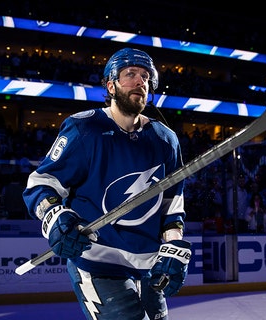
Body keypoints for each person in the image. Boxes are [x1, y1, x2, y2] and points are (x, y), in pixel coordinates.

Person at [22, 47, 189, 320]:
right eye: (130, 74)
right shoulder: (85, 129)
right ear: (111, 85)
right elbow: (41, 183)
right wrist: (55, 217)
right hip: (98, 261)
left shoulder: (166, 139)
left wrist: (174, 245)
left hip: (148, 264)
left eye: (146, 77)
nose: (140, 82)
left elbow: (172, 203)